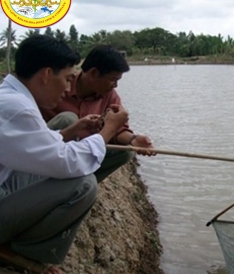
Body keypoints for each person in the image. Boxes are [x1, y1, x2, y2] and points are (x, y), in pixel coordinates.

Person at [0, 35, 129, 274]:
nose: (69, 88)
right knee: (82, 184)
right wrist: (108, 130)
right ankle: (26, 252)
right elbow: (66, 162)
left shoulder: (11, 98)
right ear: (47, 75)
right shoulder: (18, 109)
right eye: (68, 79)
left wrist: (70, 132)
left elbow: (38, 146)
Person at [40, 45, 155, 183]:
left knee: (126, 152)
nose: (116, 85)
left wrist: (133, 139)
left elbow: (118, 130)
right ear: (93, 73)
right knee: (68, 119)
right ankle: (45, 180)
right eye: (112, 79)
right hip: (49, 154)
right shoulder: (60, 87)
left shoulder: (110, 96)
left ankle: (76, 184)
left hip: (82, 153)